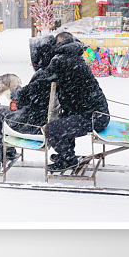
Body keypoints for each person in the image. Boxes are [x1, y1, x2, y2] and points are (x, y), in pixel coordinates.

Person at [0, 34, 60, 170]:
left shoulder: (43, 74)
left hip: (34, 123)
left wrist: (18, 93)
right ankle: (9, 151)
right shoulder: (53, 70)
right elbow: (32, 93)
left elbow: (25, 98)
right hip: (42, 118)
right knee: (6, 111)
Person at [41, 32, 110, 172]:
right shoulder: (74, 56)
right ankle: (66, 154)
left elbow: (43, 76)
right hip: (96, 114)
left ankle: (69, 160)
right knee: (64, 119)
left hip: (94, 117)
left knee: (51, 129)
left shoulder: (65, 59)